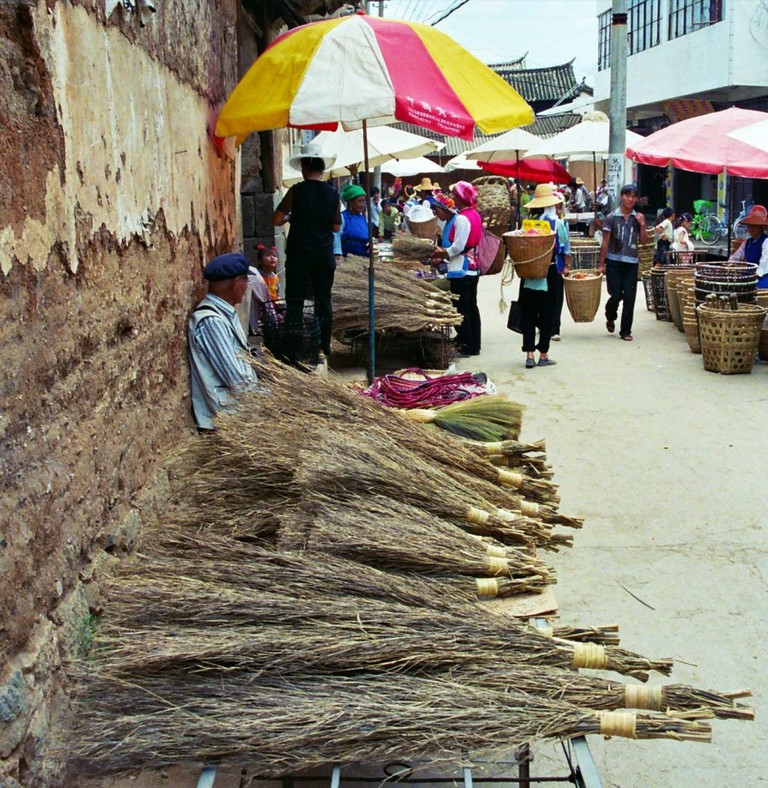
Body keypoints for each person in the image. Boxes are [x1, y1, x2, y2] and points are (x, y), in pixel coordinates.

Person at [273, 142, 341, 361]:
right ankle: (322, 348)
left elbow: (275, 219)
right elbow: (336, 227)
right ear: (321, 168)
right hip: (323, 255)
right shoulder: (332, 193)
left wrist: (291, 217)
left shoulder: (296, 191)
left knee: (295, 301)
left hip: (299, 254)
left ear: (304, 167)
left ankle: (291, 350)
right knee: (323, 300)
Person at [188, 253, 261, 431]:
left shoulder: (225, 313)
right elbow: (239, 382)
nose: (246, 288)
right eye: (245, 281)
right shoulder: (212, 322)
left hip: (235, 408)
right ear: (236, 284)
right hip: (226, 417)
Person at [518, 183, 570, 367]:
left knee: (529, 314)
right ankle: (543, 355)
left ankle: (529, 355)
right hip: (550, 273)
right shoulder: (558, 224)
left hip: (530, 274)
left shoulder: (528, 225)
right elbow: (565, 248)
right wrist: (567, 267)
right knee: (548, 314)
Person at [429, 181, 483, 356]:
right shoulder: (474, 214)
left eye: (455, 195)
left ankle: (467, 343)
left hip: (462, 268)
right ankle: (474, 343)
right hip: (472, 267)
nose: (453, 198)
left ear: (461, 198)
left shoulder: (462, 218)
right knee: (471, 306)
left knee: (462, 308)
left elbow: (458, 247)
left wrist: (442, 253)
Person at [597, 183, 650, 342]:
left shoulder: (638, 218)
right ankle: (610, 315)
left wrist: (643, 225)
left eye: (634, 196)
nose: (630, 199)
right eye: (627, 196)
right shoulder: (611, 218)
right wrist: (601, 264)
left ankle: (625, 330)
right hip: (614, 261)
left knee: (629, 296)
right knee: (615, 294)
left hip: (631, 262)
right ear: (621, 197)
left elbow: (644, 241)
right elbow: (605, 242)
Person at [728, 204, 768, 288]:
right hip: (748, 275)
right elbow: (735, 258)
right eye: (750, 226)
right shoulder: (747, 243)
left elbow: (764, 266)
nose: (751, 229)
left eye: (754, 226)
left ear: (761, 227)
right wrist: (729, 266)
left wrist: (752, 276)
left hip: (762, 277)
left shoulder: (766, 242)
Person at [247, 245, 283, 337]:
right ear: (260, 261)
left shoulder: (275, 277)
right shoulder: (258, 276)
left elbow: (276, 293)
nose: (272, 258)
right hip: (261, 306)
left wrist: (278, 299)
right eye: (268, 255)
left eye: (274, 256)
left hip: (272, 306)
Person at [339, 183, 370, 257]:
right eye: (359, 201)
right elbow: (337, 239)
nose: (362, 204)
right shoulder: (343, 217)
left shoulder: (362, 218)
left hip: (363, 256)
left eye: (364, 201)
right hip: (349, 258)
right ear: (350, 202)